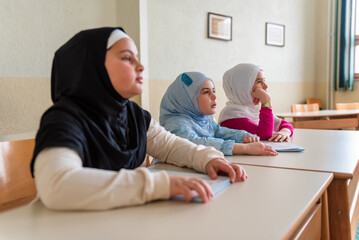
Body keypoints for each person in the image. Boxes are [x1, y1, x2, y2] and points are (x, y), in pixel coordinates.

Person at [30, 27, 248, 210]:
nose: (141, 66)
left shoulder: (133, 114)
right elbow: (58, 185)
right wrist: (159, 184)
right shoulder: (63, 119)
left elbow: (170, 146)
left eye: (137, 58)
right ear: (91, 68)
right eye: (127, 58)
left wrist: (208, 158)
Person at [159, 72, 278, 156]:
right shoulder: (176, 124)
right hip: (174, 176)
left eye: (213, 91)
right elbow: (196, 144)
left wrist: (244, 136)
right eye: (206, 92)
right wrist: (244, 148)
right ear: (187, 98)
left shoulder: (204, 118)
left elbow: (218, 131)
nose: (214, 96)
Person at [218, 63, 293, 142]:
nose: (265, 86)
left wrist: (284, 132)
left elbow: (286, 124)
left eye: (264, 80)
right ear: (243, 87)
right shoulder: (232, 116)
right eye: (259, 82)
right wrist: (266, 101)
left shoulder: (254, 109)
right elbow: (264, 135)